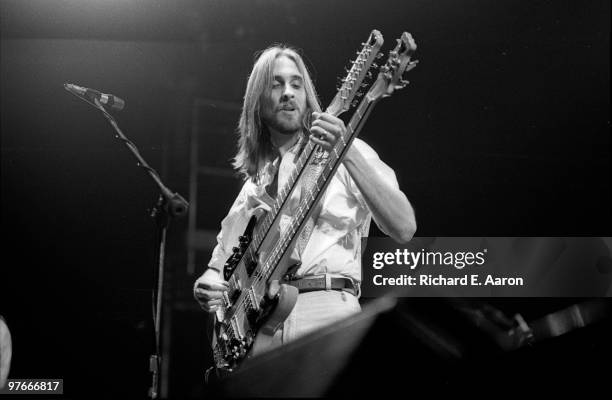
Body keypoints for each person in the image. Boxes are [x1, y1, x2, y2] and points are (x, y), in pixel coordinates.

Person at [193, 44, 416, 351]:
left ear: (307, 95)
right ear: (256, 103)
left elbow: (404, 226)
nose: (288, 92)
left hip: (326, 309)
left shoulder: (349, 150)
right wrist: (206, 283)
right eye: (276, 84)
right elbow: (218, 265)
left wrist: (344, 149)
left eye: (296, 84)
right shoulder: (253, 189)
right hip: (259, 333)